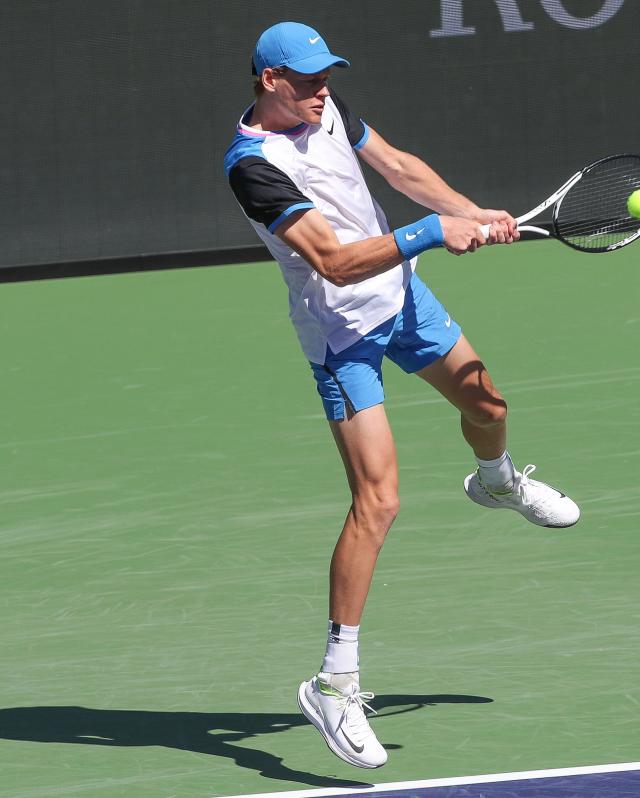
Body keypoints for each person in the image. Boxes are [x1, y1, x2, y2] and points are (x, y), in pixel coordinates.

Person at [224, 21, 580, 770]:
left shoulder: (326, 108)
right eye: (308, 79)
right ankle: (334, 683)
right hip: (341, 334)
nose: (323, 89)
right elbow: (335, 262)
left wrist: (471, 211)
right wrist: (428, 234)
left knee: (489, 407)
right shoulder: (252, 166)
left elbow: (398, 166)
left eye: (328, 75)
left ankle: (498, 481)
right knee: (378, 501)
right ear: (268, 81)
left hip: (404, 301)